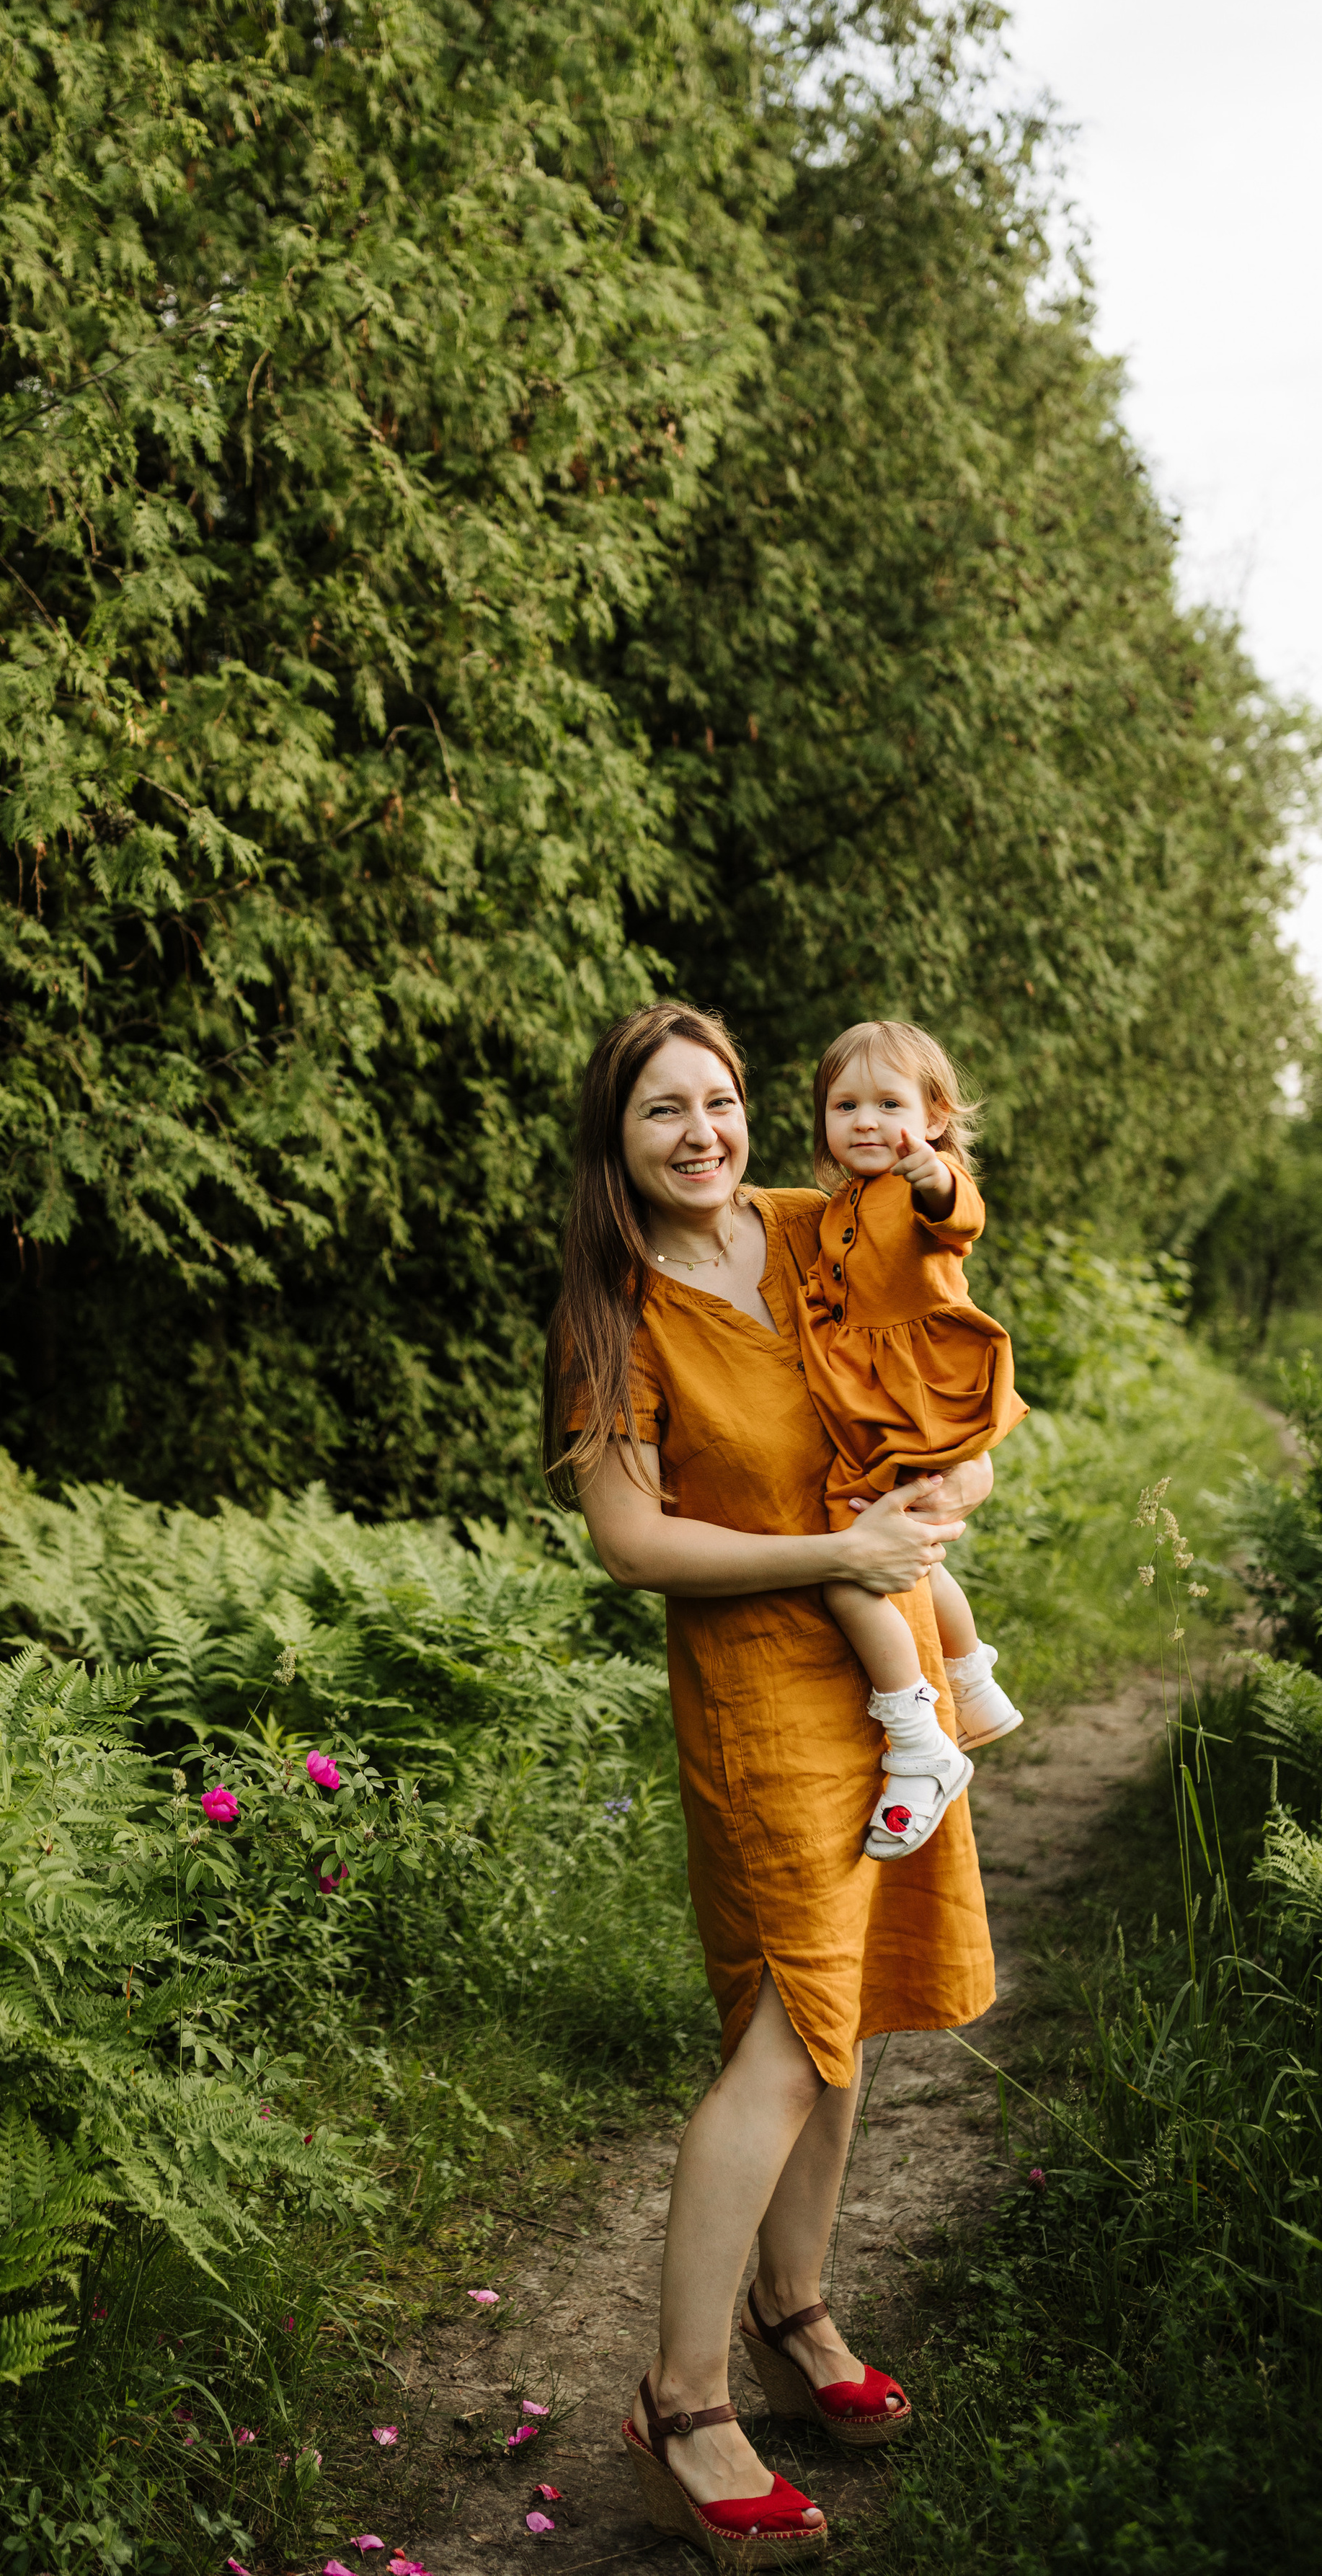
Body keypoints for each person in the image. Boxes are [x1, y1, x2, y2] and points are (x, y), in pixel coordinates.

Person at [544, 1001, 997, 2569]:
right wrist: (838, 1551)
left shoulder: (813, 1224)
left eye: (719, 1101)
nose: (700, 1134)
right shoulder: (615, 1313)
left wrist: (955, 1472)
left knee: (844, 2013)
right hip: (761, 1694)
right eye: (661, 1111)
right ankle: (678, 2404)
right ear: (615, 1145)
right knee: (792, 2032)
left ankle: (793, 2310)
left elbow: (939, 1303)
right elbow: (630, 1541)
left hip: (888, 1676)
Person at [798, 1021, 1028, 1863]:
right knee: (916, 1558)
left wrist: (932, 1176)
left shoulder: (921, 1185)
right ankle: (970, 1680)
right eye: (844, 1105)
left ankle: (917, 1733)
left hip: (918, 1399)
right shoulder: (836, 1208)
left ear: (932, 1117)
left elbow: (958, 1216)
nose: (865, 1121)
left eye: (888, 1105)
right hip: (880, 1406)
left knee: (847, 1568)